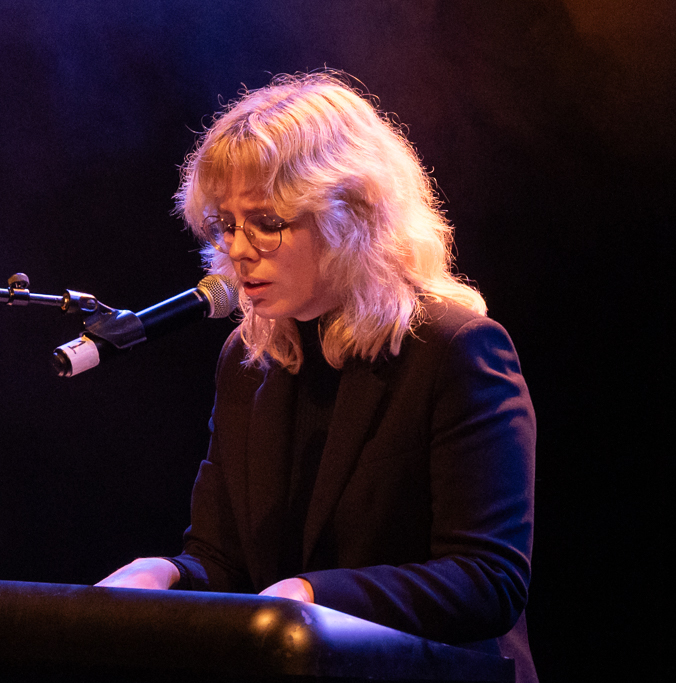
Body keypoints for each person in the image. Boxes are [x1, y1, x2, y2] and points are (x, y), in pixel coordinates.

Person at [95, 72, 538, 681]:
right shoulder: (248, 358)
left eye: (267, 222)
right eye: (226, 224)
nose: (239, 250)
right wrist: (168, 574)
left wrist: (312, 594)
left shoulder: (454, 348)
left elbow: (488, 580)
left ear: (352, 217)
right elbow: (222, 558)